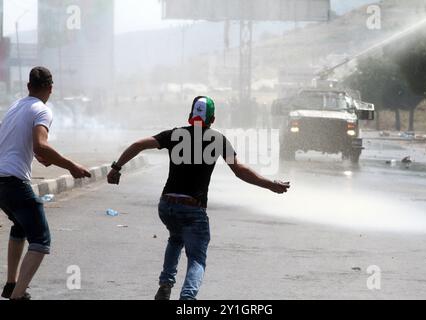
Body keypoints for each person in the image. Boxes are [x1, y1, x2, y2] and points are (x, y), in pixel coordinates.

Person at [107, 96, 290, 300]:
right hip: (193, 208)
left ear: (189, 117)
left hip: (167, 205)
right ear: (212, 120)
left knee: (176, 238)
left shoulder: (174, 135)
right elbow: (239, 170)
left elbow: (139, 144)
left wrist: (116, 167)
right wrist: (270, 185)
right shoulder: (217, 139)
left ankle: (166, 284)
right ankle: (187, 298)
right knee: (196, 258)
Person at [0, 67, 92, 300]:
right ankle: (18, 295)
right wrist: (71, 165)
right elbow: (40, 144)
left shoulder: (15, 106)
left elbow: (26, 145)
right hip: (12, 181)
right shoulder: (42, 110)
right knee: (41, 240)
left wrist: (41, 156)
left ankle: (11, 284)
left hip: (1, 181)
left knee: (20, 226)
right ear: (50, 88)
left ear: (28, 86)